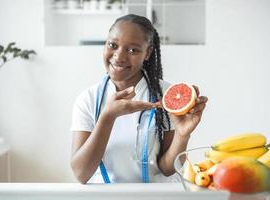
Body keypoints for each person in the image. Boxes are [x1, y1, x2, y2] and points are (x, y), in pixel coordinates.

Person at [70, 14, 208, 184]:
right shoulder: (88, 100)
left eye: (132, 50)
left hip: (155, 195)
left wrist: (182, 135)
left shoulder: (166, 95)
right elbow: (81, 173)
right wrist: (107, 117)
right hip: (107, 195)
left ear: (148, 52)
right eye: (112, 45)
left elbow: (167, 168)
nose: (119, 56)